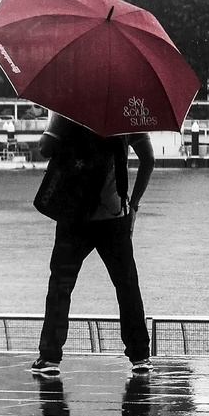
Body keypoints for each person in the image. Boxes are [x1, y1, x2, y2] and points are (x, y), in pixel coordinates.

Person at [29, 115, 154, 379]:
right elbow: (148, 160)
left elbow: (44, 149)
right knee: (127, 285)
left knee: (60, 286)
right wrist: (133, 206)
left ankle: (50, 357)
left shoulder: (70, 108)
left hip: (74, 215)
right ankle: (140, 355)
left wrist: (55, 124)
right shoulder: (127, 111)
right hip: (114, 215)